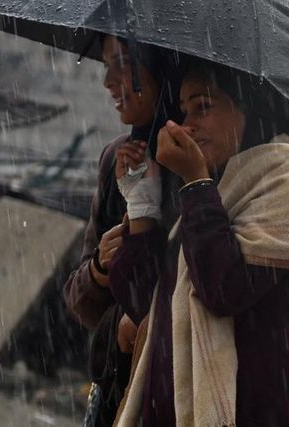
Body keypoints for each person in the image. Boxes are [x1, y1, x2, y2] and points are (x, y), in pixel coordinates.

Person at [108, 61, 289, 426]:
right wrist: (142, 206)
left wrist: (196, 183)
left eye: (203, 106)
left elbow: (224, 288)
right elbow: (145, 301)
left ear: (249, 106)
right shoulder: (216, 189)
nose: (187, 125)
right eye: (184, 111)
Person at [63, 34, 183, 426]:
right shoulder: (118, 159)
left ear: (162, 66)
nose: (108, 81)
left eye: (124, 62)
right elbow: (79, 300)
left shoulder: (200, 165)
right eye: (106, 64)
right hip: (116, 395)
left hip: (176, 397)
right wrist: (100, 268)